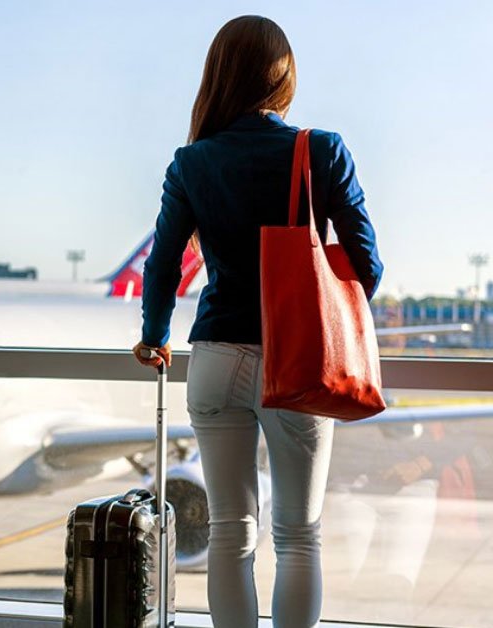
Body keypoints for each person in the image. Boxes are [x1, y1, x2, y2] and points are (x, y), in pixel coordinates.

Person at [132, 15, 383, 628]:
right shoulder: (320, 150)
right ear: (284, 77)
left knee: (228, 533)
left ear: (218, 76)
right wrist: (328, 312)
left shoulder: (191, 161)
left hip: (215, 358)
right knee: (298, 534)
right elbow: (367, 263)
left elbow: (162, 266)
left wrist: (154, 337)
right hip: (297, 358)